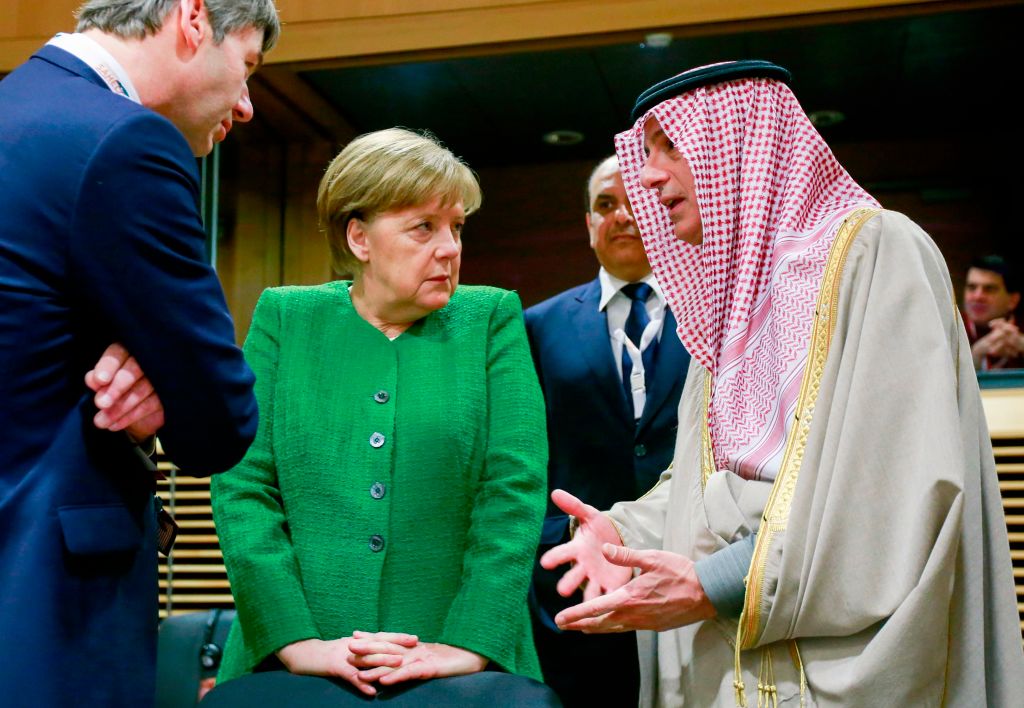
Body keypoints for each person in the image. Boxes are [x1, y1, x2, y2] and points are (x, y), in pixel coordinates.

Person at [541, 60, 1024, 706]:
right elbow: (709, 485)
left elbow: (897, 490)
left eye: (672, 147)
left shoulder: (876, 253)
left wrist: (719, 581)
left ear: (740, 146)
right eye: (645, 152)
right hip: (730, 663)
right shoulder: (724, 302)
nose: (648, 176)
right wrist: (622, 531)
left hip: (846, 672)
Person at [208, 128, 556, 706]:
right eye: (424, 228)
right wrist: (296, 643)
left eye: (457, 228)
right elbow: (244, 488)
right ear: (360, 237)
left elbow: (513, 494)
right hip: (294, 667)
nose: (449, 248)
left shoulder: (490, 318)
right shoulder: (284, 318)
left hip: (464, 671)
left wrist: (468, 644)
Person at [0, 1, 279, 705]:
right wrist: (165, 369)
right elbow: (220, 419)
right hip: (41, 601)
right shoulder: (125, 143)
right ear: (192, 18)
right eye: (246, 66)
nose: (245, 106)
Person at [524, 156, 689, 706]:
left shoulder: (712, 311)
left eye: (634, 201)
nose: (621, 215)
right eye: (604, 205)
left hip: (692, 569)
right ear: (588, 224)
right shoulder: (536, 326)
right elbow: (520, 459)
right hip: (579, 585)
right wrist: (557, 543)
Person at [962, 254, 1023, 370]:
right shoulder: (948, 328)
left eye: (989, 289)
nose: (977, 296)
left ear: (1013, 300)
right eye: (972, 287)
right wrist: (975, 355)